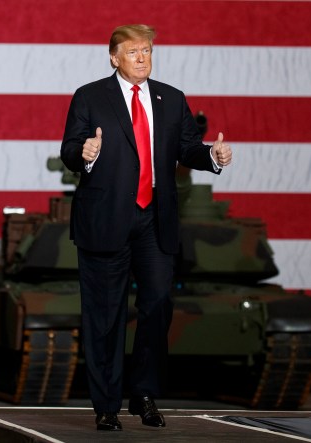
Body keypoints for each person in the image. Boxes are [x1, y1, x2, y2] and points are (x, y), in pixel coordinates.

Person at [60, 24, 232, 431]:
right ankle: (106, 405)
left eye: (148, 51)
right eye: (134, 51)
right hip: (105, 220)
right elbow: (69, 148)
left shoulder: (170, 98)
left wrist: (213, 155)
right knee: (105, 316)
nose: (143, 58)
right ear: (114, 57)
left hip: (155, 218)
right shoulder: (89, 96)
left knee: (158, 305)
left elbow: (187, 146)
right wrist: (84, 152)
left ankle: (145, 394)